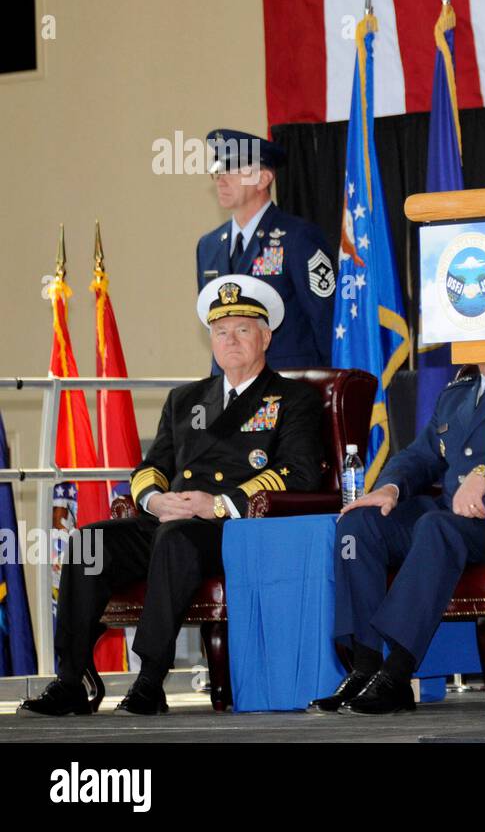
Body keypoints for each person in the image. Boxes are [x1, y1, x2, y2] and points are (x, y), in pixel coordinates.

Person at [18, 276, 324, 716]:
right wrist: (155, 500)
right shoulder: (185, 400)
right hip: (169, 519)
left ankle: (149, 680)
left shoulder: (293, 399)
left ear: (266, 336)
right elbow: (150, 468)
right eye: (221, 331)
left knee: (175, 539)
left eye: (242, 329)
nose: (230, 340)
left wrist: (216, 504)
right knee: (88, 542)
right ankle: (71, 679)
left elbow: (299, 473)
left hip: (236, 530)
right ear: (211, 340)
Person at [308, 365, 485, 714]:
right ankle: (365, 665)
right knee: (358, 525)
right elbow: (421, 455)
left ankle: (397, 674)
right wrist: (390, 488)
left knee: (435, 527)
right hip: (450, 513)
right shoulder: (459, 391)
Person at [197, 129, 335, 370]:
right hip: (233, 390)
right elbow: (216, 325)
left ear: (263, 179)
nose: (221, 179)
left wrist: (327, 387)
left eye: (233, 170)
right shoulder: (208, 246)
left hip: (287, 388)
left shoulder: (298, 238)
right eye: (218, 171)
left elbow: (326, 321)